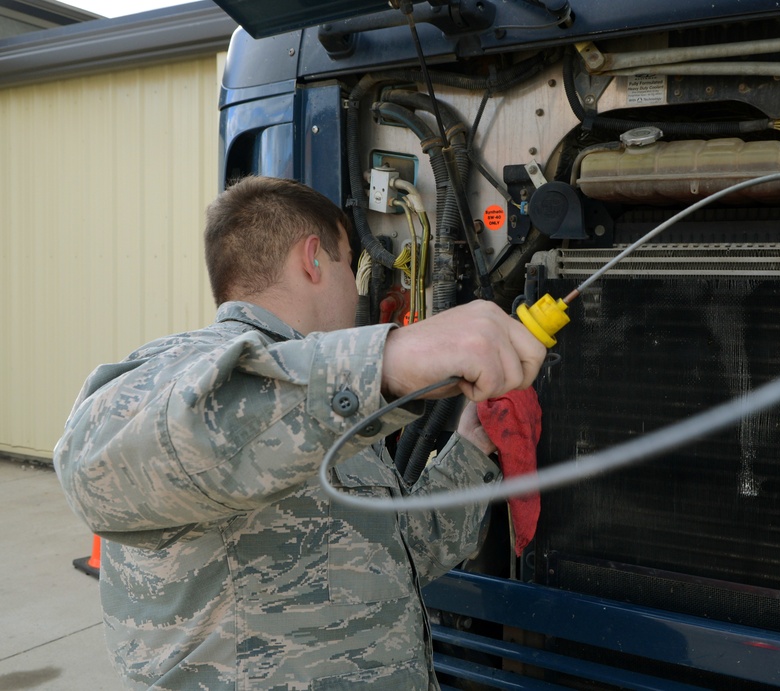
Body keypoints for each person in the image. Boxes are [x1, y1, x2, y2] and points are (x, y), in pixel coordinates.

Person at [53, 176, 547, 690]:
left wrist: (471, 447)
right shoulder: (185, 365)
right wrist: (387, 358)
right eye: (349, 265)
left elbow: (392, 556)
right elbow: (95, 470)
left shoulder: (320, 401)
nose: (357, 292)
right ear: (313, 259)